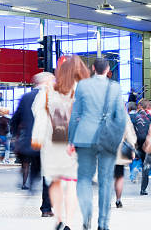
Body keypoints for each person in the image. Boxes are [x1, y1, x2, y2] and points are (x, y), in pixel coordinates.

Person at [68, 58, 127, 230]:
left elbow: (75, 114)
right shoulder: (115, 87)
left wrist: (71, 140)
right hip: (107, 138)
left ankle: (87, 216)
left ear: (93, 68)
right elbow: (121, 117)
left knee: (84, 178)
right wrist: (117, 139)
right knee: (106, 181)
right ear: (108, 69)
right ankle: (103, 224)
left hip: (84, 137)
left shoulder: (83, 85)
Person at [32, 57, 90, 230]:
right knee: (71, 182)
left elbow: (38, 111)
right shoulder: (82, 90)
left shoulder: (49, 89)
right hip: (73, 141)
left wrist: (39, 136)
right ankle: (69, 223)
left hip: (52, 139)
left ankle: (58, 219)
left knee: (55, 181)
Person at [12, 75, 53, 217]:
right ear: (47, 82)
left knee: (35, 169)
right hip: (47, 141)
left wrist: (15, 136)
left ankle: (30, 188)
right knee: (48, 174)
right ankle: (46, 208)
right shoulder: (51, 96)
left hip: (30, 142)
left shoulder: (26, 97)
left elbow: (15, 118)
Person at [114, 116, 137, 208]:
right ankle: (118, 200)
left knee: (106, 177)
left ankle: (105, 200)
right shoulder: (123, 116)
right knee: (119, 176)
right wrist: (132, 148)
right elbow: (129, 133)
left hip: (105, 148)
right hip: (119, 150)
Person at [133, 99, 151, 195]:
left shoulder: (133, 116)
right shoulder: (150, 117)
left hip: (136, 143)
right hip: (147, 144)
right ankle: (143, 189)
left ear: (139, 106)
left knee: (134, 161)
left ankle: (134, 173)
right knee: (146, 165)